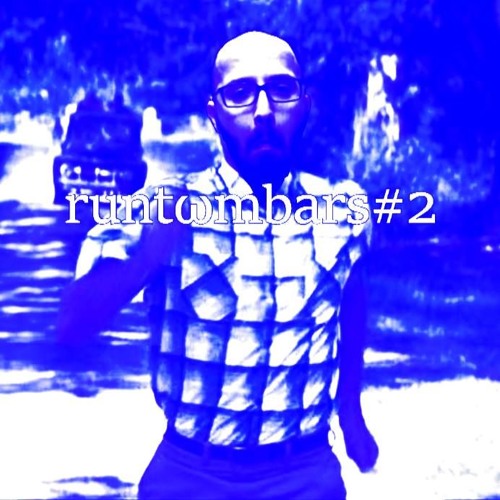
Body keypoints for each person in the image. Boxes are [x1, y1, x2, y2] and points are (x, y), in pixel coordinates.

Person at [56, 31, 378, 499]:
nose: (263, 111)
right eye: (240, 93)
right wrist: (147, 256)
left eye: (281, 89)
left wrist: (350, 411)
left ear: (305, 105)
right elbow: (71, 323)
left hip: (305, 476)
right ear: (214, 113)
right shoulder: (165, 203)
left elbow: (351, 301)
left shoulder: (344, 209)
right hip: (191, 477)